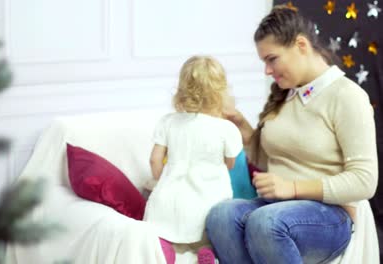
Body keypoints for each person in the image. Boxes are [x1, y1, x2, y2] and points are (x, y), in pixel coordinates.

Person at [205, 6, 379, 264]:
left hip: (331, 214)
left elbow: (365, 181)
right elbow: (277, 163)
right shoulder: (288, 93)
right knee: (221, 215)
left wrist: (293, 188)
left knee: (267, 222)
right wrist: (246, 133)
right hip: (280, 207)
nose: (267, 70)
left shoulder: (347, 96)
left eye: (271, 59)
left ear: (301, 45)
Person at [143, 55, 243, 264]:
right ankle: (205, 253)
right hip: (207, 200)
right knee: (209, 236)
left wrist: (164, 178)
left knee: (161, 232)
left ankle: (164, 251)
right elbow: (231, 163)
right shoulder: (227, 129)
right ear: (221, 91)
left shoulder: (168, 121)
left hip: (167, 201)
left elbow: (155, 160)